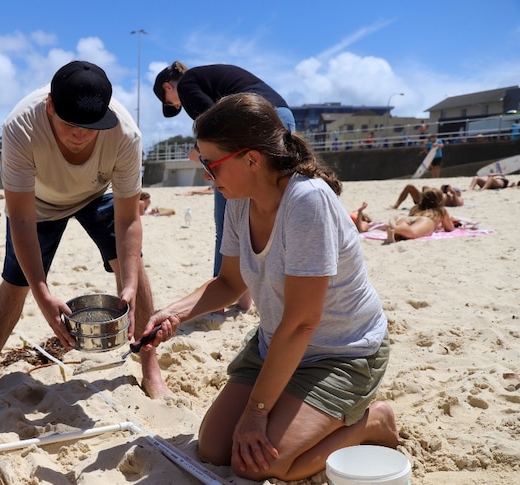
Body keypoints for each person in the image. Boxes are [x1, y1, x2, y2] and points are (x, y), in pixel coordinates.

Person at [141, 93, 398, 481]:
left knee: (266, 464)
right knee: (214, 448)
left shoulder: (306, 202)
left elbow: (302, 322)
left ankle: (373, 422)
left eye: (211, 166)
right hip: (277, 344)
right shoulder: (238, 200)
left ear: (251, 158)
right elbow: (229, 282)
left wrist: (255, 414)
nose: (206, 176)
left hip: (340, 352)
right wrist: (173, 313)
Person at [0, 60, 167, 398]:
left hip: (97, 193)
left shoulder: (125, 134)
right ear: (50, 105)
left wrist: (130, 285)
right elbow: (20, 218)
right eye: (70, 124)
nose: (80, 134)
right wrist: (43, 294)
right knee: (16, 282)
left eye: (91, 126)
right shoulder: (21, 126)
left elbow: (128, 219)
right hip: (40, 204)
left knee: (133, 268)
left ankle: (149, 363)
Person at [153, 61, 296, 312]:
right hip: (281, 116)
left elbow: (215, 127)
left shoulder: (187, 84)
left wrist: (199, 153)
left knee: (228, 218)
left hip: (256, 122)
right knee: (265, 213)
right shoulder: (208, 78)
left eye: (171, 102)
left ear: (168, 86)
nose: (177, 105)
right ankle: (245, 298)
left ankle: (222, 298)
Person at [386, 187, 455, 243]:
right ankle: (394, 227)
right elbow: (449, 228)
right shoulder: (441, 210)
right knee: (413, 233)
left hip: (409, 218)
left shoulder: (415, 208)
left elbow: (414, 223)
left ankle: (394, 233)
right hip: (425, 220)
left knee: (404, 233)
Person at [391, 183, 463, 208]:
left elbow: (457, 204)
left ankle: (395, 206)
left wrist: (453, 193)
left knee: (412, 187)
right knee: (410, 187)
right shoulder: (446, 194)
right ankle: (396, 205)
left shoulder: (458, 198)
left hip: (431, 201)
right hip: (428, 198)